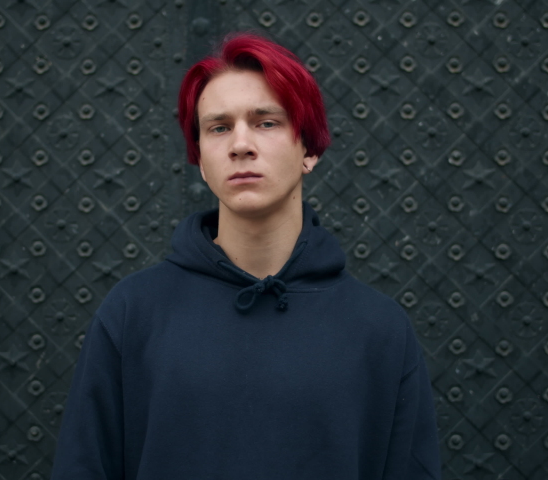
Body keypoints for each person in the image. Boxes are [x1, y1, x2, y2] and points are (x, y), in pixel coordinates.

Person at [51, 33, 441, 479]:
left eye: (266, 122)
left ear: (309, 149)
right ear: (200, 159)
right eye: (218, 127)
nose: (240, 144)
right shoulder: (133, 313)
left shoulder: (379, 330)